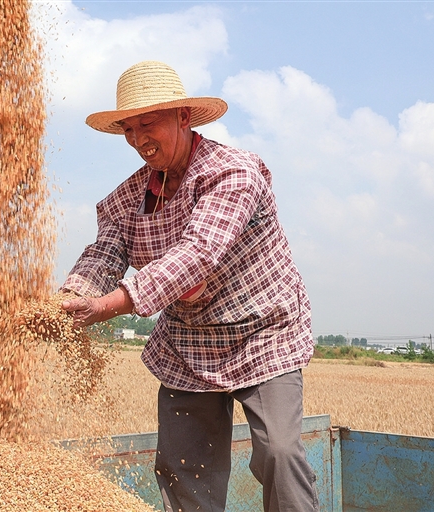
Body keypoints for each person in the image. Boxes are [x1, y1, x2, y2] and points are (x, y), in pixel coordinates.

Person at [60, 60, 318, 512]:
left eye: (149, 123)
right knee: (184, 466)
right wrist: (70, 299)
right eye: (129, 128)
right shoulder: (128, 196)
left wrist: (110, 305)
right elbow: (104, 253)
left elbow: (196, 254)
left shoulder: (233, 173)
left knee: (279, 450)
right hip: (188, 341)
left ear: (183, 117)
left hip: (262, 332)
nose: (139, 139)